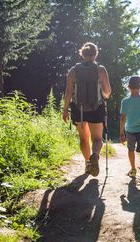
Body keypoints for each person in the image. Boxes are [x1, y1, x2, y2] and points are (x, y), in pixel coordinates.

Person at [62, 42, 111, 176]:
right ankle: (94, 155)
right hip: (96, 108)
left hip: (79, 109)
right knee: (97, 139)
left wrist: (65, 109)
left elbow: (68, 92)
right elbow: (107, 92)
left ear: (82, 54)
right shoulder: (100, 69)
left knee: (84, 139)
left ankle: (88, 164)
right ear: (95, 54)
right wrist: (104, 96)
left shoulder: (73, 70)